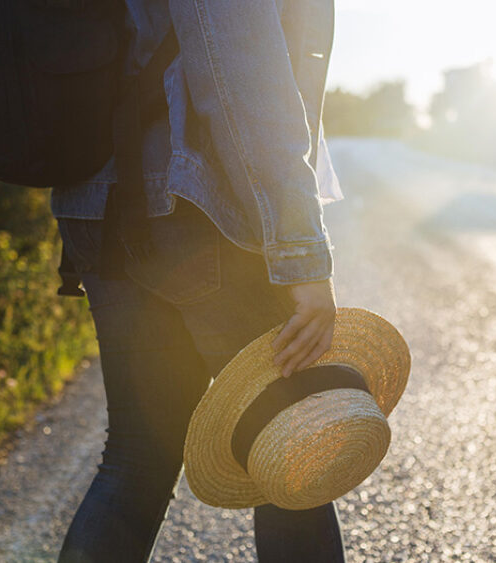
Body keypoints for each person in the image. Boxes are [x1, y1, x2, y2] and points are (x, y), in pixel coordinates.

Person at [50, 1, 347, 561]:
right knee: (292, 446)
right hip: (191, 208)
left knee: (138, 458)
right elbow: (242, 76)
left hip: (96, 204)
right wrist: (302, 256)